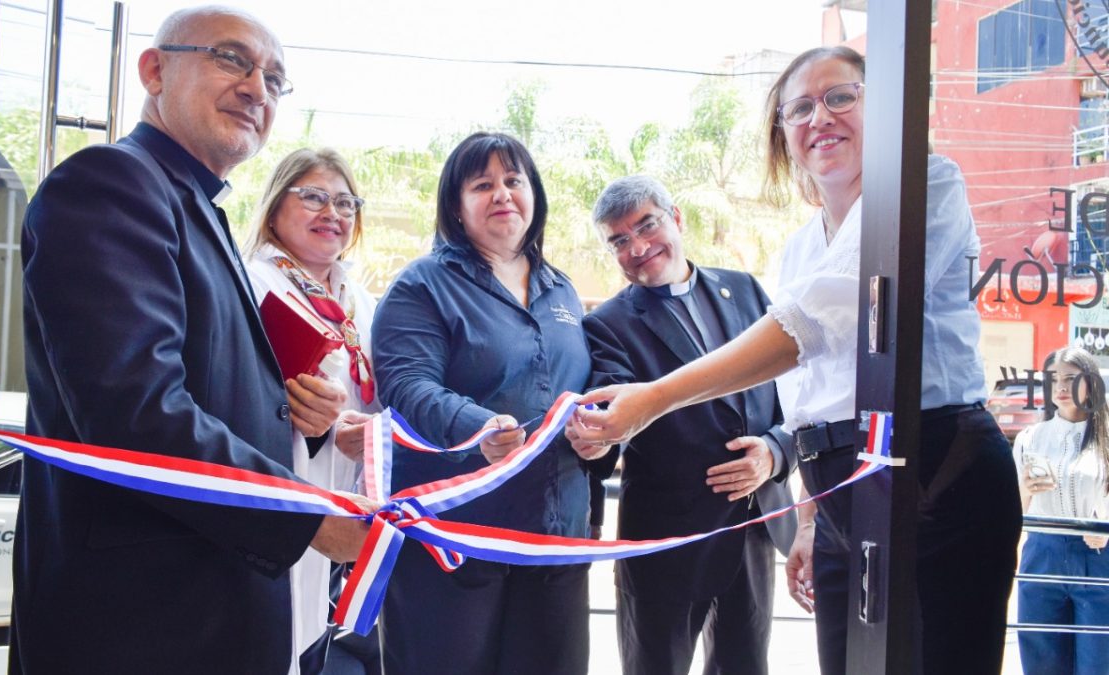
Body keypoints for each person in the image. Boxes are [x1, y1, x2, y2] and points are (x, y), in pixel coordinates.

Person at [569, 45, 1022, 675]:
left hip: (933, 467)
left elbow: (815, 323)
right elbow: (809, 399)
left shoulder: (925, 183)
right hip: (832, 492)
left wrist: (656, 398)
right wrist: (810, 520)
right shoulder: (798, 251)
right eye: (799, 108)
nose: (820, 118)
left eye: (841, 97)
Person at [15, 7, 371, 674]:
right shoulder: (110, 184)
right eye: (232, 59)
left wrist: (303, 416)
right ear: (154, 70)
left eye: (274, 78)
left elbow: (222, 395)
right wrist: (311, 516)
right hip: (139, 627)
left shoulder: (198, 208)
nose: (256, 88)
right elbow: (135, 411)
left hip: (214, 613)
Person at [371, 131, 592, 674]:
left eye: (514, 181)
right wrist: (478, 427)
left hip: (555, 539)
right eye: (483, 184)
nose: (502, 194)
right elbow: (406, 384)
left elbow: (582, 380)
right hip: (454, 541)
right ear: (456, 204)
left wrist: (604, 423)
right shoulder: (422, 286)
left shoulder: (561, 290)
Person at [578, 175, 796, 675]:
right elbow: (610, 413)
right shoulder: (607, 324)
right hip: (665, 543)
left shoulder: (745, 290)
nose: (637, 247)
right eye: (619, 240)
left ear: (676, 219)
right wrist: (596, 435)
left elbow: (796, 396)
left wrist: (774, 452)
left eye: (646, 225)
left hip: (754, 529)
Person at [244, 148, 383, 673]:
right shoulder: (251, 284)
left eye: (346, 202)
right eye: (314, 197)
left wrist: (367, 429)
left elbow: (377, 395)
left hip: (346, 500)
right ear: (276, 207)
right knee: (276, 641)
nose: (334, 213)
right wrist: (301, 414)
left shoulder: (360, 299)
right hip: (281, 497)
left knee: (317, 645)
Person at [1014, 346, 1109, 675]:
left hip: (1099, 560)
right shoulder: (1030, 438)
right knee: (1042, 662)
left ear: (1091, 383)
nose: (1061, 387)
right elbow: (1015, 512)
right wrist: (1026, 489)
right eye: (1054, 380)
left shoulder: (1106, 440)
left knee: (1099, 662)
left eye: (1070, 378)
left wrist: (1103, 525)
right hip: (1042, 553)